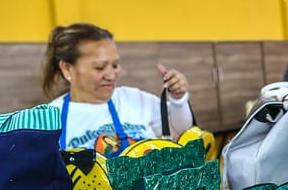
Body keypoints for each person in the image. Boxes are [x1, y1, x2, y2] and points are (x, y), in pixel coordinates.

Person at [42, 23, 194, 157]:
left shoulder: (134, 99)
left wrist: (178, 100)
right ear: (67, 68)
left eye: (114, 66)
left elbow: (180, 131)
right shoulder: (48, 120)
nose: (110, 75)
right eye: (99, 67)